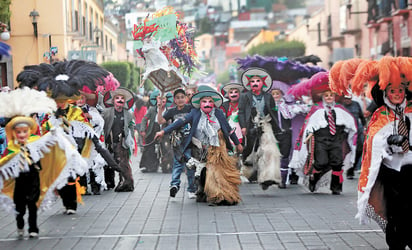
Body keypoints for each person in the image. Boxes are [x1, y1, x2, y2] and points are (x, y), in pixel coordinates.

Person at [0, 88, 87, 239]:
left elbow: (47, 145)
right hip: (18, 180)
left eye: (24, 131)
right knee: (20, 206)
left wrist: (57, 136)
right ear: (14, 133)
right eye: (19, 132)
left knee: (33, 204)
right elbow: (4, 162)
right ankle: (20, 224)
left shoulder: (36, 142)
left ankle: (33, 228)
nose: (22, 135)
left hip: (33, 177)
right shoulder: (11, 147)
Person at [345, 56, 412, 249]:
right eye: (393, 91)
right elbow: (372, 139)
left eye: (400, 90)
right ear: (386, 93)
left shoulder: (411, 112)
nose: (397, 94)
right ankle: (396, 243)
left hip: (411, 168)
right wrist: (389, 141)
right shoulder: (381, 115)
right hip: (391, 171)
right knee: (395, 209)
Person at [155, 85, 243, 205]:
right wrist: (163, 131)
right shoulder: (194, 113)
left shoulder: (219, 113)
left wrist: (237, 143)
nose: (207, 104)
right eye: (204, 101)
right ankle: (203, 192)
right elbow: (180, 122)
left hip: (217, 149)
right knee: (202, 171)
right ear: (199, 103)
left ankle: (219, 196)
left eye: (210, 101)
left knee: (215, 172)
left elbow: (229, 129)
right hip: (199, 148)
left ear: (214, 103)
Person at [289, 71, 357, 195]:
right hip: (321, 140)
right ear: (322, 96)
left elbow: (351, 125)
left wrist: (349, 133)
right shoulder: (317, 108)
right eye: (326, 95)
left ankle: (336, 186)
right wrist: (309, 133)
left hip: (336, 139)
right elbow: (308, 125)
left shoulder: (340, 109)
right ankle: (313, 179)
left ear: (335, 96)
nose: (329, 97)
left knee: (337, 163)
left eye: (331, 95)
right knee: (321, 162)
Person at [238, 67, 281, 190]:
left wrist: (276, 127)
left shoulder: (268, 97)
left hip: (265, 126)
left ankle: (268, 178)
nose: (255, 83)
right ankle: (251, 173)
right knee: (250, 152)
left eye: (258, 81)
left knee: (270, 151)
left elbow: (273, 112)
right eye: (252, 81)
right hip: (250, 126)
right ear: (249, 84)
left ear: (263, 83)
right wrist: (243, 127)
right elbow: (241, 112)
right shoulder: (244, 96)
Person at [270, 82, 310, 188]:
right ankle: (274, 177)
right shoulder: (268, 107)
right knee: (273, 156)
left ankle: (282, 180)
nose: (275, 96)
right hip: (273, 134)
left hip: (286, 133)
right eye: (273, 94)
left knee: (285, 156)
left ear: (282, 95)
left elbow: (302, 109)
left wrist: (305, 104)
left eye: (277, 94)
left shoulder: (287, 107)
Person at [157, 88, 196, 198]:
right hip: (177, 143)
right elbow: (160, 121)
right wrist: (160, 108)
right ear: (174, 99)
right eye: (177, 98)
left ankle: (191, 189)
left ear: (186, 98)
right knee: (178, 164)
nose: (180, 100)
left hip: (190, 142)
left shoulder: (191, 109)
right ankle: (174, 185)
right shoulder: (171, 111)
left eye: (182, 97)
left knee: (190, 165)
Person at [102, 87, 136, 192]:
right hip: (108, 141)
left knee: (123, 163)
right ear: (113, 101)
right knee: (107, 162)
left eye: (122, 98)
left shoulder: (128, 114)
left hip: (122, 142)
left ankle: (127, 183)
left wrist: (130, 137)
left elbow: (131, 125)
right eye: (117, 98)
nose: (120, 100)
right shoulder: (106, 112)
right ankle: (109, 182)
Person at [139, 90, 173, 173]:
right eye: (159, 98)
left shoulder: (169, 110)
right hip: (153, 129)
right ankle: (150, 166)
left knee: (166, 148)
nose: (161, 100)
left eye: (163, 98)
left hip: (165, 130)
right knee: (149, 149)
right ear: (156, 99)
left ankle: (167, 166)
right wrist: (143, 129)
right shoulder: (152, 109)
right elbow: (144, 119)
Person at [340, 94, 366, 179]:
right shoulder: (341, 106)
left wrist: (365, 127)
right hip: (346, 132)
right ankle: (349, 170)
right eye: (346, 99)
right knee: (349, 151)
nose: (348, 100)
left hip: (358, 130)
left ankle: (353, 166)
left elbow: (361, 117)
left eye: (349, 98)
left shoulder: (356, 104)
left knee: (360, 149)